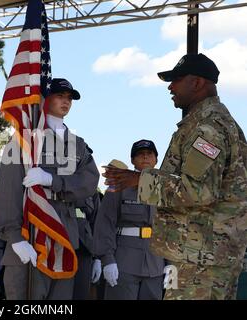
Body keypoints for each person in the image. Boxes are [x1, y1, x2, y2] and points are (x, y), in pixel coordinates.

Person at [103, 53, 247, 300]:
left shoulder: (209, 128)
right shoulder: (203, 123)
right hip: (203, 255)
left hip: (202, 259)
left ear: (198, 83)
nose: (170, 87)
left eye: (177, 79)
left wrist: (139, 179)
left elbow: (197, 191)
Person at [0, 78, 99, 300]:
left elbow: (89, 182)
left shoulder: (78, 144)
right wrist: (15, 238)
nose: (66, 102)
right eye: (60, 96)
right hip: (30, 233)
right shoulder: (24, 140)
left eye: (69, 98)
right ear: (44, 99)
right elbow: (8, 191)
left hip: (65, 237)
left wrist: (54, 181)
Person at [95, 140, 166, 300]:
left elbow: (171, 229)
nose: (146, 157)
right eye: (140, 154)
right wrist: (108, 259)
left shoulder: (166, 189)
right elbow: (105, 223)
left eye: (150, 154)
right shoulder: (119, 186)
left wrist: (171, 265)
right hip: (124, 263)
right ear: (132, 160)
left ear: (156, 159)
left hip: (156, 265)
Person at [73, 190, 101, 299]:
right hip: (57, 245)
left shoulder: (91, 189)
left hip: (84, 249)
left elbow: (97, 225)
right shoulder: (53, 179)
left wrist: (97, 258)